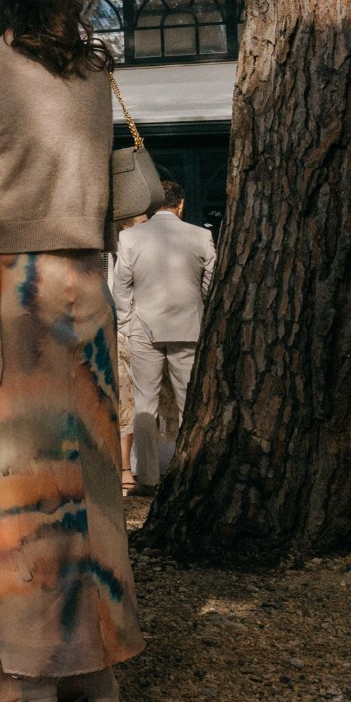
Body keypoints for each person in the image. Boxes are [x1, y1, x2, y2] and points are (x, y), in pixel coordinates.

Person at [0, 0, 143, 702]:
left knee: (10, 490)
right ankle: (101, 682)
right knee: (90, 486)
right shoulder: (95, 72)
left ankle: (30, 680)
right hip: (85, 286)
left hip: (3, 288)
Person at [115, 179, 217, 490]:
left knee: (146, 402)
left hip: (144, 328)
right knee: (190, 402)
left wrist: (126, 322)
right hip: (188, 326)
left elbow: (122, 287)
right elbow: (211, 283)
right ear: (181, 205)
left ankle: (147, 476)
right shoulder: (201, 235)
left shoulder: (130, 237)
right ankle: (190, 472)